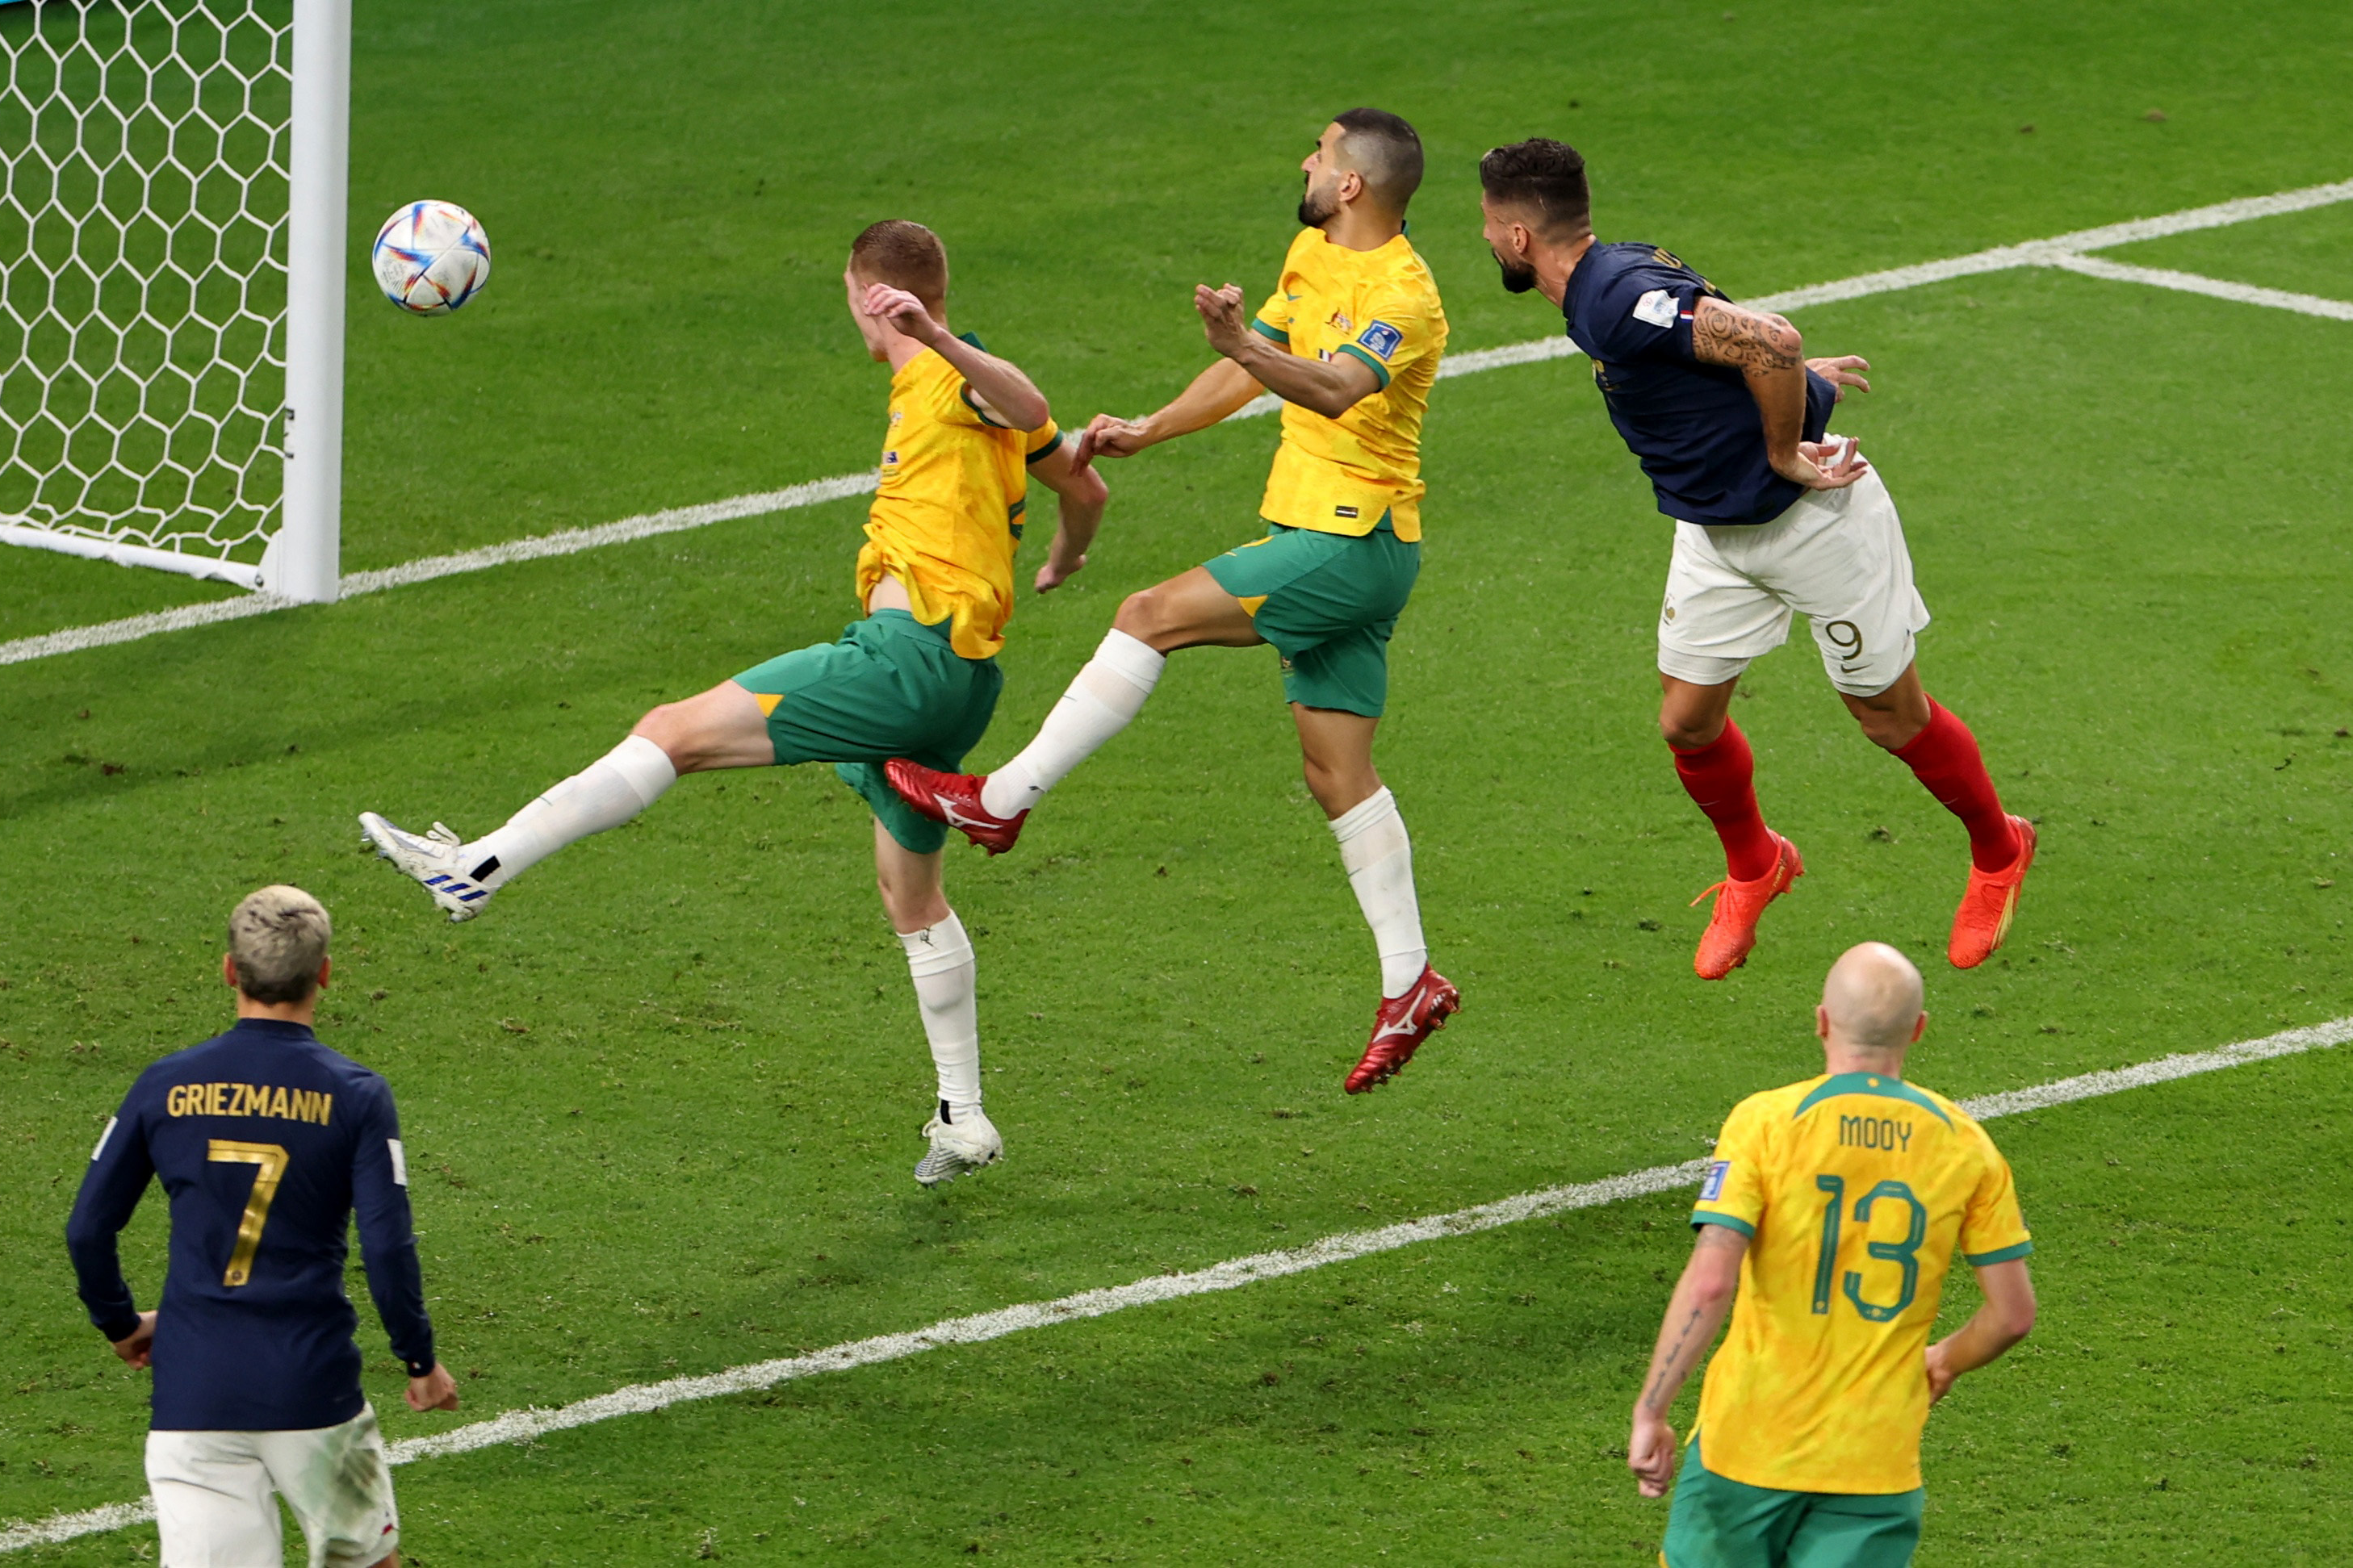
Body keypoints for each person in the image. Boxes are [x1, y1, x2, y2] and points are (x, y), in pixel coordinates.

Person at [358, 220, 1110, 1185]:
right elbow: (1077, 479)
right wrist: (1067, 549)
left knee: (671, 733)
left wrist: (939, 337)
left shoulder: (941, 372)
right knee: (909, 894)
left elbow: (1027, 397)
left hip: (904, 659)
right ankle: (963, 1115)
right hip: (958, 686)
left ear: (860, 291)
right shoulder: (938, 392)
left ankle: (474, 869)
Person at [886, 110, 1458, 1094]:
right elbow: (1254, 365)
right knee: (1337, 776)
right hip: (1327, 539)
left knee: (1146, 613)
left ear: (1355, 183)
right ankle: (1409, 981)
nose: (1306, 164)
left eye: (1319, 154)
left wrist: (1241, 342)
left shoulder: (1405, 296)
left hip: (1346, 541)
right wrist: (1151, 429)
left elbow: (1327, 389)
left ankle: (1001, 799)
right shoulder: (1311, 250)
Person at [1477, 139, 2036, 979]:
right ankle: (1757, 863)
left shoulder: (1611, 299)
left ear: (1518, 235)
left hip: (1811, 518)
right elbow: (1718, 354)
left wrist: (1783, 443)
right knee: (1685, 720)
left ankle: (1999, 848)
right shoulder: (1618, 275)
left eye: (1487, 225)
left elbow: (1766, 339)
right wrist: (1804, 381)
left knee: (1886, 716)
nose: (1484, 240)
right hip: (1711, 529)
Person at [65, 886, 458, 1568]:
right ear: (326, 974)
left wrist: (122, 1324)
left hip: (192, 1392)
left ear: (228, 970)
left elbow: (87, 1229)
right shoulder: (355, 1093)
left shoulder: (165, 1083)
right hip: (312, 1384)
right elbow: (388, 1246)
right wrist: (419, 1359)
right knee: (366, 1563)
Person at [1625, 942, 2037, 1567]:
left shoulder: (1764, 1122)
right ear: (1919, 1030)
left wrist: (1652, 1408)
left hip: (1747, 1447)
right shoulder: (1966, 1146)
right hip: (1875, 1464)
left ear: (1821, 1020)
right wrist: (1946, 1360)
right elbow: (2012, 1315)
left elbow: (1711, 1284)